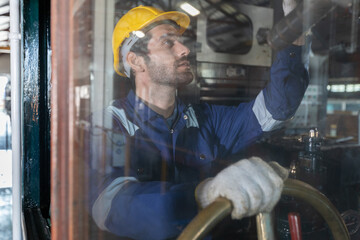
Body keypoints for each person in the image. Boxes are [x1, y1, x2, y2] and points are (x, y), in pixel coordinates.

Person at [86, 2, 309, 239]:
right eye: (167, 42)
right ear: (135, 60)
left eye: (180, 41)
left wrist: (293, 38)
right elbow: (111, 206)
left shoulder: (205, 119)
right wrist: (204, 194)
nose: (184, 50)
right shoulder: (108, 124)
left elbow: (276, 110)